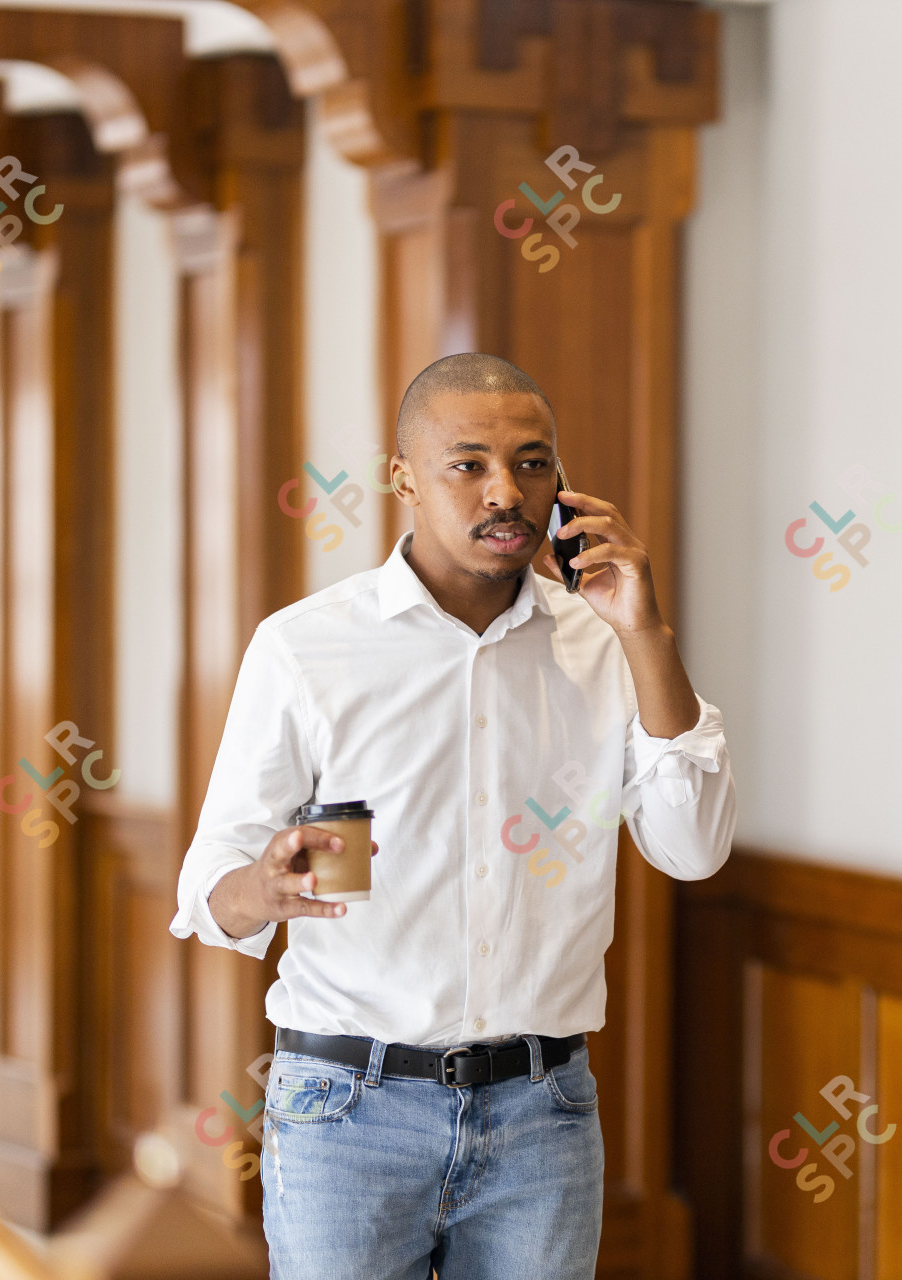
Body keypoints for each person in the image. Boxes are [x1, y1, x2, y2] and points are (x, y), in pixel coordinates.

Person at [169, 352, 736, 1280]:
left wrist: (647, 636)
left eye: (533, 464)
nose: (504, 492)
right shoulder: (306, 647)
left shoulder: (607, 645)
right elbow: (207, 892)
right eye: (466, 464)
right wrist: (261, 887)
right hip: (344, 1111)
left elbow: (693, 849)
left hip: (542, 1115)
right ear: (403, 479)